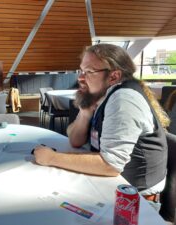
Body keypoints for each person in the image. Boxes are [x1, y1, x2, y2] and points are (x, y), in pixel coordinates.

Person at [33, 44, 169, 208]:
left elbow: (110, 165)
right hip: (111, 188)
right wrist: (85, 113)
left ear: (114, 76)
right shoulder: (104, 96)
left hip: (135, 203)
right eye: (81, 71)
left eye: (89, 72)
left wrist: (52, 158)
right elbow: (75, 140)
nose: (80, 78)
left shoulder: (123, 99)